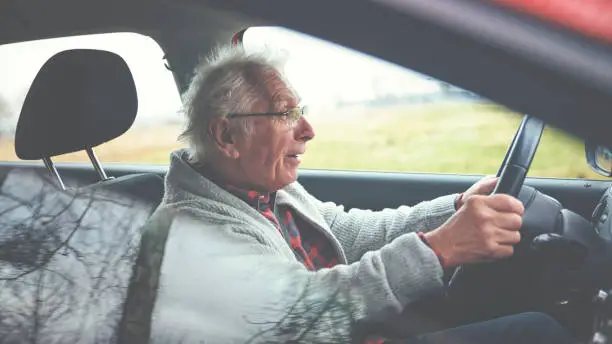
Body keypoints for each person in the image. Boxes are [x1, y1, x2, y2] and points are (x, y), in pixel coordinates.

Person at [127, 45, 574, 344]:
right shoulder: (194, 230)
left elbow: (347, 231)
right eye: (286, 114)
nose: (308, 130)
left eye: (300, 111)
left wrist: (451, 209)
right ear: (227, 135)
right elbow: (301, 311)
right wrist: (440, 249)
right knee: (537, 332)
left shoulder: (260, 189)